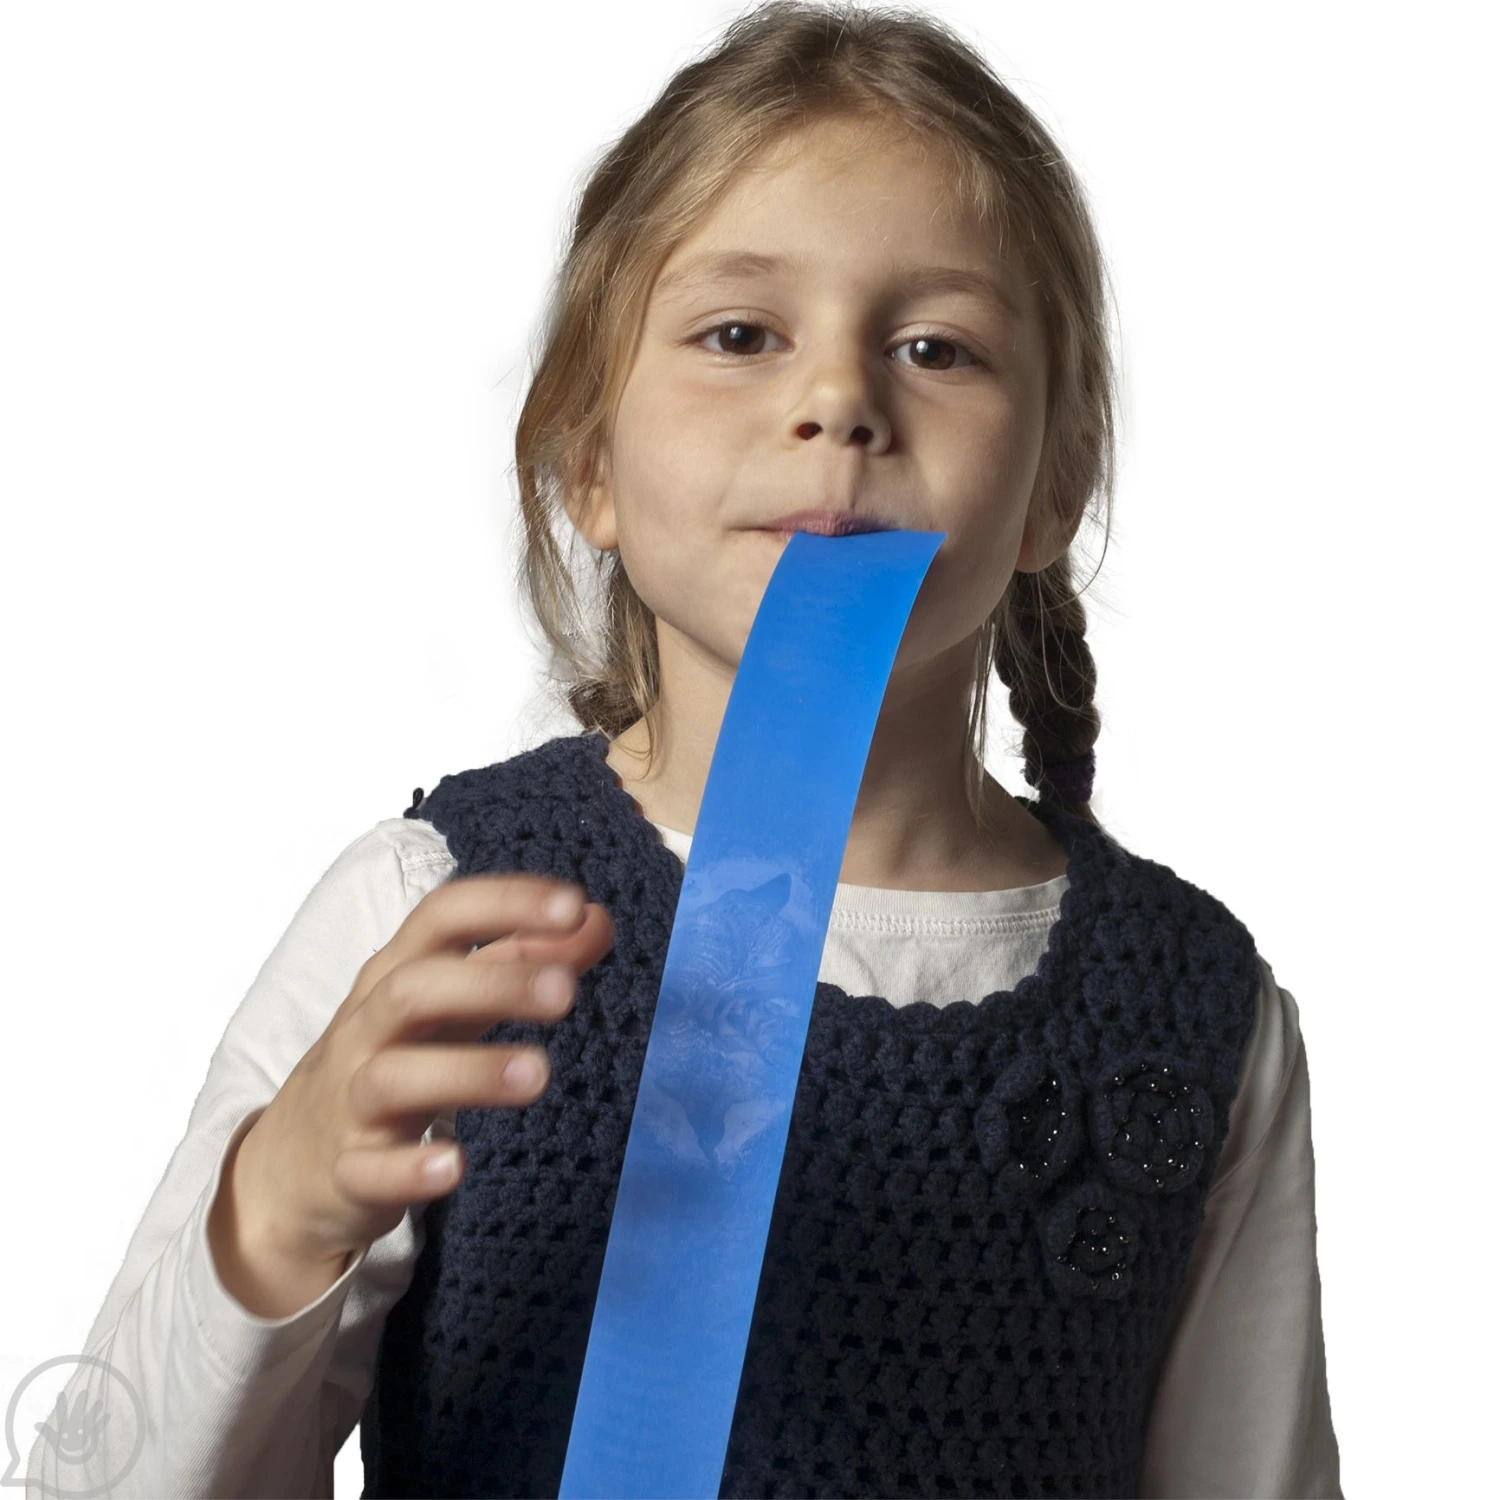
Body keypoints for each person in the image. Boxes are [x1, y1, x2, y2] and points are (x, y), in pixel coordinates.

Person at [27, 4, 1341, 1496]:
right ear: (586, 458)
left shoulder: (1197, 1020)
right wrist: (270, 1219)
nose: (838, 401)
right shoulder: (438, 919)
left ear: (1056, 488)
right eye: (740, 335)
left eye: (937, 347)